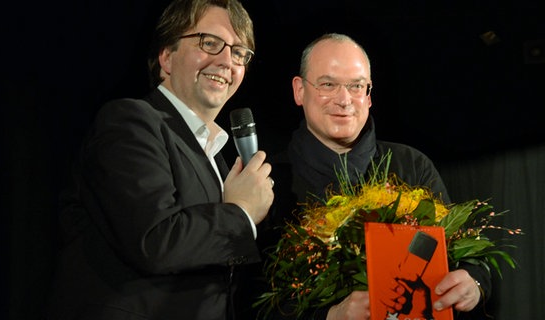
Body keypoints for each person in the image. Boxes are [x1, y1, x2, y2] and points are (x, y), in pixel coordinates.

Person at [46, 0, 274, 319]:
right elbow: (155, 241)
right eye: (210, 43)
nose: (227, 61)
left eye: (239, 53)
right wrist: (241, 213)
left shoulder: (217, 157)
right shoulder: (129, 122)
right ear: (166, 58)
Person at [256, 33, 490, 320]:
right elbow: (250, 299)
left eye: (356, 86)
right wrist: (328, 316)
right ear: (299, 91)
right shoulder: (268, 179)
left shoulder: (411, 165)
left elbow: (463, 256)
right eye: (328, 85)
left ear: (368, 96)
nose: (344, 100)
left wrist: (474, 283)